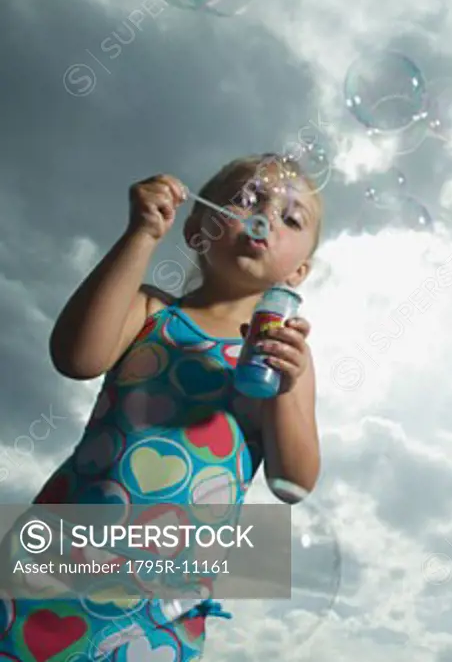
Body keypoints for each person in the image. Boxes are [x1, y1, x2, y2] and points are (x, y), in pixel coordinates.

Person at [0, 153, 324, 661]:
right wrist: (142, 235)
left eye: (291, 218)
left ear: (298, 272)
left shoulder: (282, 362)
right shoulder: (153, 310)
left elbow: (296, 480)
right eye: (246, 199)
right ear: (197, 226)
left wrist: (286, 386)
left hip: (160, 606)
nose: (264, 217)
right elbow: (76, 358)